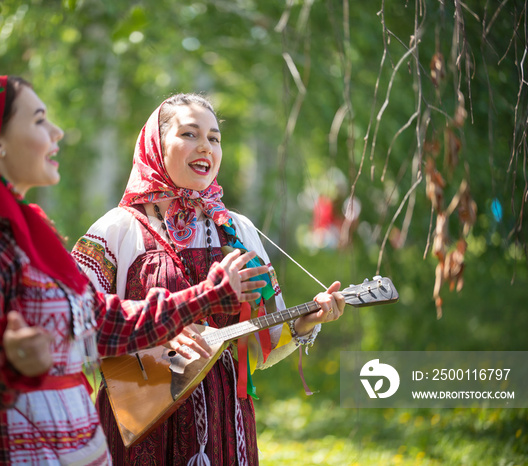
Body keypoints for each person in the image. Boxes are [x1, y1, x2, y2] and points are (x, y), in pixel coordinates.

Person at [0, 77, 268, 465]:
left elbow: (107, 323)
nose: (56, 131)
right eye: (39, 120)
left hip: (77, 447)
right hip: (18, 451)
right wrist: (7, 363)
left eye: (215, 138)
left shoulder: (34, 236)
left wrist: (210, 296)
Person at [73, 93, 346, 465]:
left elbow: (258, 346)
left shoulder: (237, 231)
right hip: (139, 418)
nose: (205, 147)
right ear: (156, 143)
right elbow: (73, 320)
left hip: (225, 421)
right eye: (189, 134)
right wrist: (156, 333)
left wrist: (304, 323)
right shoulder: (117, 229)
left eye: (214, 138)